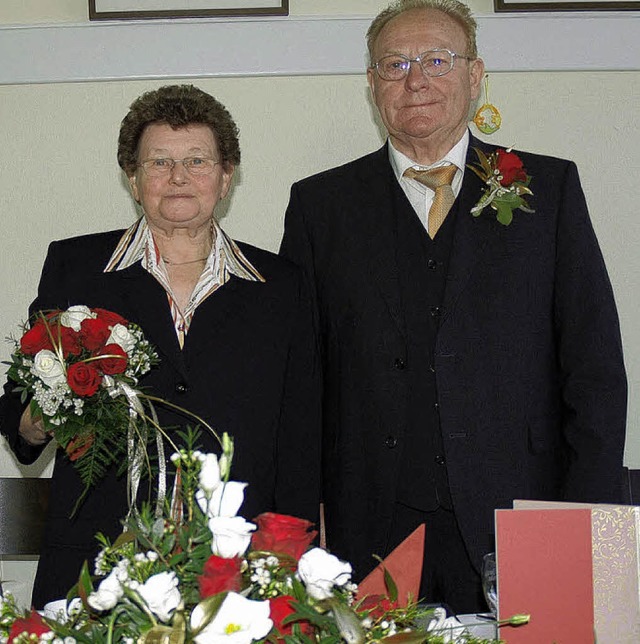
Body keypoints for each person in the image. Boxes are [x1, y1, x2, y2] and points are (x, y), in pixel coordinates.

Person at [280, 0, 627, 614]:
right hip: (369, 530)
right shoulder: (321, 208)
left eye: (437, 60)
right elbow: (301, 384)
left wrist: (589, 521)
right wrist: (304, 524)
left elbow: (594, 372)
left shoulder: (549, 191)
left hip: (523, 516)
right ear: (371, 84)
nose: (415, 79)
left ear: (475, 75)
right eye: (395, 64)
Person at [0, 84, 321, 608]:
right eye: (159, 162)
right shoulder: (76, 268)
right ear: (132, 177)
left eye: (197, 160)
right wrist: (44, 410)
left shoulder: (282, 285)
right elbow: (19, 408)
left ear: (226, 176)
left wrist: (287, 560)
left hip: (237, 565)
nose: (179, 177)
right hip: (97, 562)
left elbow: (302, 437)